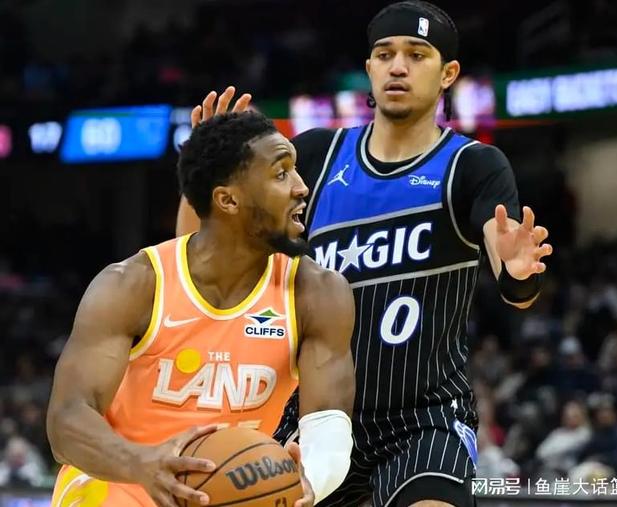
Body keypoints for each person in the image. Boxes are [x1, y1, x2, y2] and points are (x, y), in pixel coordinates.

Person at [178, 2, 553, 505]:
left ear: (448, 73)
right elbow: (200, 257)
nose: (398, 66)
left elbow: (518, 289)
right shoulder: (314, 156)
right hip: (313, 414)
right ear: (370, 67)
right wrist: (203, 177)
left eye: (417, 55)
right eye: (385, 54)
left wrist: (519, 272)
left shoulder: (473, 165)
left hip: (423, 417)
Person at [47, 112, 356, 507]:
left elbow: (328, 421)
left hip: (232, 489)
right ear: (228, 200)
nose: (301, 187)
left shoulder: (317, 293)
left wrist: (309, 480)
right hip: (119, 481)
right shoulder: (134, 285)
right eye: (281, 174)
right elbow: (67, 420)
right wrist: (141, 463)